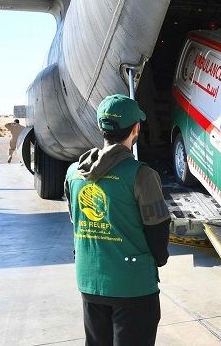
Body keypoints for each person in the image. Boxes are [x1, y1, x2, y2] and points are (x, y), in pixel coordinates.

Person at [64, 94, 170, 345]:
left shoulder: (74, 173)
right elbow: (157, 229)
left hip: (90, 281)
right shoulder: (141, 175)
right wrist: (160, 259)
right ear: (135, 128)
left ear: (101, 128)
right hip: (132, 284)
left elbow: (75, 220)